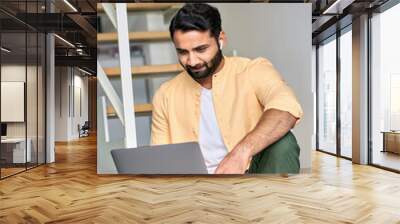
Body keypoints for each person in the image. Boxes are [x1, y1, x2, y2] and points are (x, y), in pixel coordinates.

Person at [150, 3, 303, 174]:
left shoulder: (253, 69)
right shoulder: (166, 94)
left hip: (249, 175)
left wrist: (241, 153)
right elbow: (160, 158)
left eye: (201, 49)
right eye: (183, 52)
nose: (192, 61)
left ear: (220, 39)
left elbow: (286, 108)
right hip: (194, 188)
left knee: (284, 143)